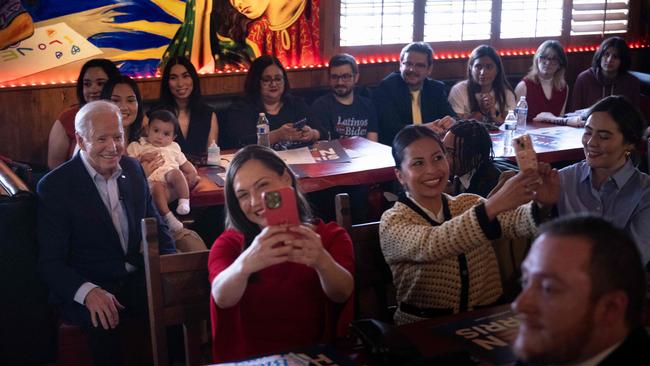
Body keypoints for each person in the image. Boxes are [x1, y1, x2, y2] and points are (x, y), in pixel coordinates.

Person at [37, 100, 176, 366]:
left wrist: (168, 270)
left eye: (118, 136)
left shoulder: (133, 170)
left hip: (133, 276)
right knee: (103, 320)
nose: (113, 147)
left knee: (179, 306)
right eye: (101, 139)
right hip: (88, 283)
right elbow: (50, 263)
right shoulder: (55, 187)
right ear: (80, 139)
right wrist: (88, 292)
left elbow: (157, 227)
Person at [380, 125, 559, 325]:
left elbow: (515, 222)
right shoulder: (393, 220)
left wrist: (543, 204)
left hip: (488, 322)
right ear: (400, 175)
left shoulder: (468, 203)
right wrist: (496, 203)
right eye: (418, 163)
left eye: (438, 158)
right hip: (424, 329)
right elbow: (432, 244)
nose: (432, 170)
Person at [208, 145, 354, 362]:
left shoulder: (330, 236)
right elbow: (221, 297)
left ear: (286, 179)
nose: (256, 201)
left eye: (263, 185)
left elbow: (342, 292)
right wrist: (246, 263)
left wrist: (322, 261)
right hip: (251, 361)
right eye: (243, 195)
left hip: (316, 355)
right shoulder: (229, 244)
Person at [513, 215, 650, 365]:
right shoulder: (546, 350)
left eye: (548, 288)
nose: (519, 305)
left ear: (610, 308)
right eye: (525, 281)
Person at [555, 95, 650, 267]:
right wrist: (542, 207)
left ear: (629, 143)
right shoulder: (563, 178)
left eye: (604, 137)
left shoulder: (645, 193)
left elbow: (633, 262)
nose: (591, 142)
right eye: (588, 131)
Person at [220, 55, 324, 149]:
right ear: (256, 82)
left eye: (278, 79)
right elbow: (241, 143)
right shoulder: (241, 108)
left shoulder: (296, 103)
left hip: (298, 162)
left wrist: (312, 134)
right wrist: (278, 135)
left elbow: (322, 131)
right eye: (267, 80)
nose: (273, 84)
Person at [127, 109, 198, 233]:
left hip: (170, 178)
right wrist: (141, 158)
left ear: (173, 137)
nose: (160, 136)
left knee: (177, 174)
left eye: (166, 134)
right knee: (157, 187)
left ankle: (184, 201)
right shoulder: (137, 145)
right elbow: (129, 165)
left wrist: (192, 173)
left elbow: (186, 164)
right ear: (147, 129)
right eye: (156, 131)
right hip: (151, 182)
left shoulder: (174, 147)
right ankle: (168, 217)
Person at [373, 42, 456, 145]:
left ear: (429, 69)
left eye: (420, 65)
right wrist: (422, 129)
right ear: (400, 65)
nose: (412, 69)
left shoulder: (436, 88)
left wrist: (451, 121)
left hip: (431, 146)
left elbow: (452, 116)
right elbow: (390, 128)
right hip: (399, 147)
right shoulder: (387, 87)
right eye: (408, 64)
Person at [47, 58, 120, 170]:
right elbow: (54, 168)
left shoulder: (126, 115)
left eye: (100, 83)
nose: (93, 89)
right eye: (87, 84)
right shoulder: (67, 119)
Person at [158, 56, 218, 157]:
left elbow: (212, 158)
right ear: (167, 83)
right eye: (173, 78)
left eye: (185, 76)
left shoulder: (208, 114)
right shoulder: (154, 116)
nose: (180, 83)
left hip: (201, 171)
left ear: (193, 79)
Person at [310, 53, 378, 141]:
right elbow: (322, 145)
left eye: (345, 76)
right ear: (329, 78)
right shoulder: (320, 106)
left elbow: (373, 143)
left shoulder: (367, 105)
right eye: (334, 77)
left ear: (356, 77)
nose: (340, 82)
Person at [448, 45, 516, 124]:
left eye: (489, 67)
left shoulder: (506, 93)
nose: (483, 72)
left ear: (497, 70)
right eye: (478, 67)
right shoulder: (459, 90)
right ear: (470, 68)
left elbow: (510, 126)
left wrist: (493, 114)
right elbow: (456, 126)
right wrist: (481, 111)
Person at [572, 37, 640, 111]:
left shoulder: (632, 83)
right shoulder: (583, 79)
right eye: (606, 54)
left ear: (623, 60)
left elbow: (634, 116)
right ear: (600, 55)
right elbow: (574, 113)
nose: (609, 60)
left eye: (615, 57)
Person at [442, 120, 501, 197]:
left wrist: (447, 198)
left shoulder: (491, 187)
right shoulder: (450, 174)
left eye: (451, 153)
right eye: (443, 150)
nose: (444, 159)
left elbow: (479, 208)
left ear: (476, 155)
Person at [515, 40, 569, 122]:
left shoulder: (564, 88)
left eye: (554, 59)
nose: (547, 63)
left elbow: (560, 119)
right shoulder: (524, 86)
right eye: (543, 57)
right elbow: (515, 121)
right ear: (537, 59)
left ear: (560, 64)